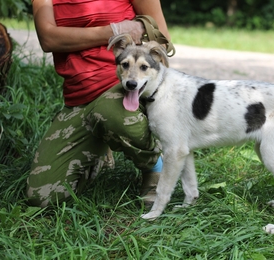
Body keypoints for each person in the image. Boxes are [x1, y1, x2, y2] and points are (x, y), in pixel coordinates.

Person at [27, 0, 172, 207]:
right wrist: (113, 31)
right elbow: (48, 38)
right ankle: (100, 149)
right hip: (78, 100)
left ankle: (155, 167)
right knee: (43, 196)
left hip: (124, 87)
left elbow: (162, 41)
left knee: (109, 111)